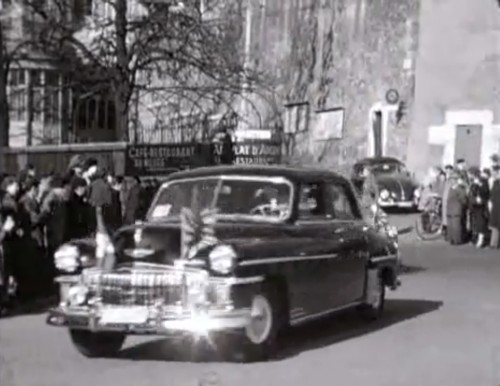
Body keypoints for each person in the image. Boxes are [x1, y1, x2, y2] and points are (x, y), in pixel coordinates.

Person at [468, 168, 489, 248]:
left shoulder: (483, 182)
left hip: (481, 205)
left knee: (481, 223)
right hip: (474, 205)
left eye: (470, 174)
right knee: (475, 223)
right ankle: (475, 238)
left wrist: (478, 185)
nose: (469, 176)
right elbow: (472, 192)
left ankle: (481, 240)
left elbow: (485, 192)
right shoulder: (473, 182)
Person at [446, 173, 468, 245]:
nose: (451, 181)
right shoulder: (451, 188)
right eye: (450, 180)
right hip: (450, 210)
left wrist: (460, 205)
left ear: (456, 180)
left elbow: (463, 200)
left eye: (453, 180)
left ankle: (457, 240)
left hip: (456, 210)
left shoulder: (459, 189)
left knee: (456, 226)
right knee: (451, 225)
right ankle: (451, 239)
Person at [489, 165, 500, 248]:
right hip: (495, 205)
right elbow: (492, 194)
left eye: (494, 171)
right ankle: (494, 243)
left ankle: (494, 243)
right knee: (495, 224)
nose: (492, 173)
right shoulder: (495, 182)